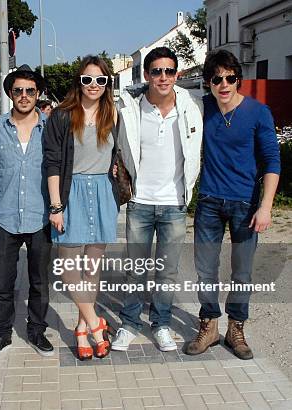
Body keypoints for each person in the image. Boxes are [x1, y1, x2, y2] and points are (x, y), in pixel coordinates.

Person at [186, 50, 280, 360]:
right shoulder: (204, 108)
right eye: (217, 79)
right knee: (205, 269)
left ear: (238, 79)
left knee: (242, 272)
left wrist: (265, 207)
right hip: (210, 201)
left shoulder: (258, 112)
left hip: (246, 204)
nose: (224, 84)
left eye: (230, 78)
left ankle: (236, 328)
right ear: (208, 83)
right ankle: (209, 325)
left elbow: (271, 161)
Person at [111, 47, 203, 352]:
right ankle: (129, 324)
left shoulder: (190, 109)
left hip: (174, 204)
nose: (162, 77)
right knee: (135, 269)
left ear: (176, 75)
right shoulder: (132, 109)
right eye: (156, 71)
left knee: (167, 271)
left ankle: (161, 324)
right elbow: (116, 145)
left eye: (168, 71)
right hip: (140, 202)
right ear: (147, 75)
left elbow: (194, 155)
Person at [44, 55, 119, 360]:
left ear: (107, 84)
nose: (93, 85)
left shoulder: (113, 113)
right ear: (79, 81)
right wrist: (56, 205)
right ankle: (96, 323)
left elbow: (121, 152)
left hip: (103, 191)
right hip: (70, 191)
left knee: (91, 268)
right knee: (69, 269)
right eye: (87, 79)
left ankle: (80, 329)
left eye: (100, 80)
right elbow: (51, 162)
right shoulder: (62, 115)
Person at [0, 65, 54, 360]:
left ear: (38, 94)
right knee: (2, 283)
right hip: (5, 217)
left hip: (40, 216)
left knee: (39, 281)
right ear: (10, 93)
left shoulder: (49, 126)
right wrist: (2, 175)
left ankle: (36, 331)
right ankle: (1, 335)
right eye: (18, 90)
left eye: (30, 91)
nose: (24, 96)